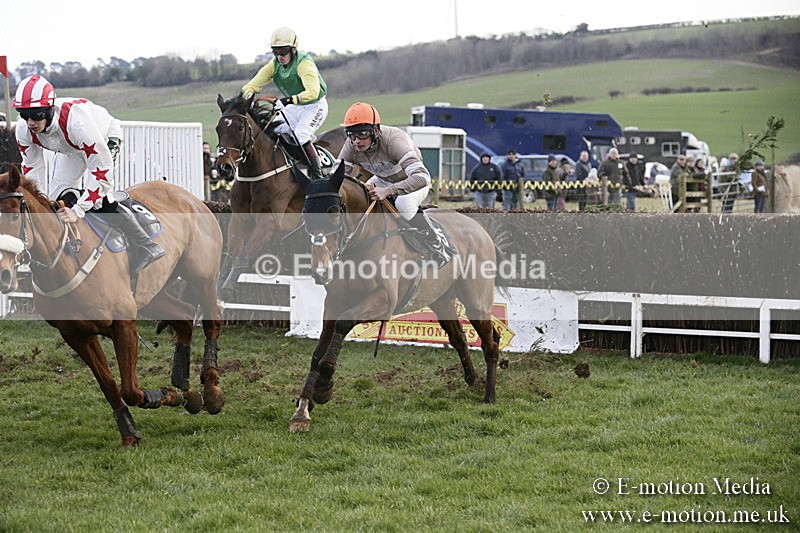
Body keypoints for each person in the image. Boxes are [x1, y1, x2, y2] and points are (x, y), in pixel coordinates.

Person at [13, 75, 165, 273]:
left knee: (100, 199)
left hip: (103, 137)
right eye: (24, 115)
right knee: (57, 198)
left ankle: (147, 245)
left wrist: (78, 211)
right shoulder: (23, 130)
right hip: (72, 149)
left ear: (50, 110)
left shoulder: (78, 124)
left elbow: (102, 175)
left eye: (37, 115)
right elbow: (33, 171)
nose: (31, 122)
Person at [337, 102, 451, 268]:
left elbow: (422, 177)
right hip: (384, 179)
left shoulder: (394, 141)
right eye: (351, 135)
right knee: (360, 197)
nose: (356, 141)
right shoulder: (351, 144)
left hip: (413, 181)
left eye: (361, 134)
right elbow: (337, 176)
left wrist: (389, 191)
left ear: (375, 130)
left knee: (403, 203)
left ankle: (436, 243)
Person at [241, 27, 328, 179]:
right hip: (294, 107)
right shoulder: (273, 65)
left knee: (300, 136)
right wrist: (249, 98)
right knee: (273, 131)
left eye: (283, 51)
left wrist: (289, 100)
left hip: (314, 106)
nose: (279, 56)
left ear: (293, 49)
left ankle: (318, 177)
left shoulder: (304, 63)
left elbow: (313, 92)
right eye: (275, 52)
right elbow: (250, 86)